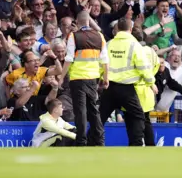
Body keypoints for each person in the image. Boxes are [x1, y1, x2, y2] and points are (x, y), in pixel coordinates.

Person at [100, 18, 154, 146]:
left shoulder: (108, 44)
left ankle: (89, 142)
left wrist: (102, 78)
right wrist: (150, 81)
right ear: (130, 29)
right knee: (138, 116)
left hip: (109, 87)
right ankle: (136, 144)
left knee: (100, 118)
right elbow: (143, 66)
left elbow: (101, 63)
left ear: (117, 29)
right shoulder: (135, 45)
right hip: (127, 89)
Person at [62, 11, 107, 146]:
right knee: (93, 109)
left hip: (77, 78)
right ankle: (99, 139)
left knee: (80, 111)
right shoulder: (99, 36)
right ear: (88, 21)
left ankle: (81, 141)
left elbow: (69, 59)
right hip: (92, 78)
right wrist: (106, 77)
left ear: (77, 21)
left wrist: (61, 77)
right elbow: (105, 60)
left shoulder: (74, 37)